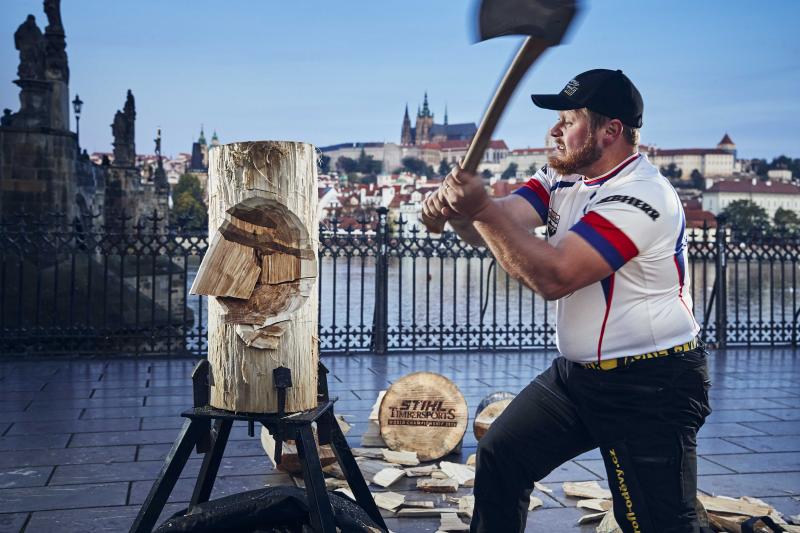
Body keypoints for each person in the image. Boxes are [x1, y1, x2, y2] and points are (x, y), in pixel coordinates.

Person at [422, 69, 711, 533]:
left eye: (569, 120)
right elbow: (499, 229)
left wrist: (478, 209)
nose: (553, 131)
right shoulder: (560, 178)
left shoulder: (642, 195)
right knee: (501, 453)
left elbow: (556, 276)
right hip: (580, 377)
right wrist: (460, 212)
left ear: (610, 130)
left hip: (652, 385)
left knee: (655, 523)